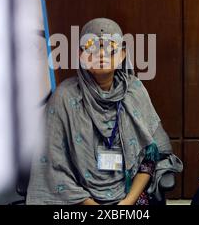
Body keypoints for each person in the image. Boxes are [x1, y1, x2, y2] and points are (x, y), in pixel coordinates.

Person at [26, 18, 182, 205]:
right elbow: (53, 168)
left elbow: (150, 157)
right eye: (91, 47)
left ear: (123, 54)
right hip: (79, 200)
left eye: (110, 47)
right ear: (81, 55)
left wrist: (127, 202)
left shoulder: (134, 91)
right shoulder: (64, 98)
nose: (101, 54)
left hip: (129, 196)